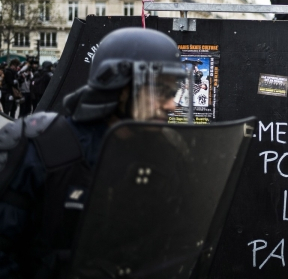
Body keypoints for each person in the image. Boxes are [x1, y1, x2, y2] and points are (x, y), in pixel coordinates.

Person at [0, 28, 186, 277]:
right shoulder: (39, 146)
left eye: (173, 93)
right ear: (118, 87)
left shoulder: (166, 154)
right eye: (161, 91)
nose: (172, 104)